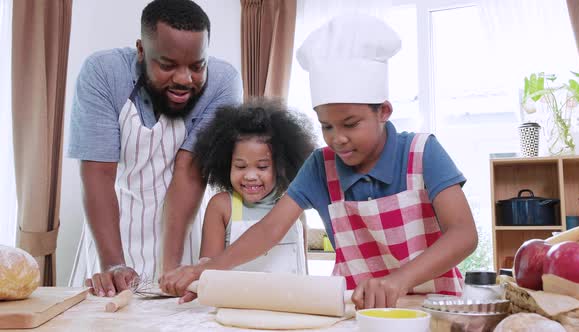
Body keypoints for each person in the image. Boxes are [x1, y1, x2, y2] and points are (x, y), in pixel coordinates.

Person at [159, 14, 477, 309]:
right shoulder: (320, 166)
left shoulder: (423, 153)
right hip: (358, 311)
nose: (337, 138)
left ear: (383, 112)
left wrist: (399, 280)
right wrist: (207, 269)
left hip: (435, 307)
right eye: (326, 126)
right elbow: (269, 230)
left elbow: (463, 234)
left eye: (350, 124)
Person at [67, 0, 242, 297]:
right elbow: (98, 173)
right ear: (141, 50)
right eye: (167, 65)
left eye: (197, 66)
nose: (184, 79)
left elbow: (190, 171)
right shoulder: (104, 74)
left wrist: (170, 270)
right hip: (111, 233)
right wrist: (113, 264)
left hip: (182, 235)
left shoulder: (223, 82)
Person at [193, 99, 315, 276]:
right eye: (241, 166)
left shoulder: (293, 205)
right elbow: (207, 273)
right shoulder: (222, 206)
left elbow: (303, 270)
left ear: (281, 166)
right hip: (233, 303)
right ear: (226, 164)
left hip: (291, 303)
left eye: (262, 167)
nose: (250, 176)